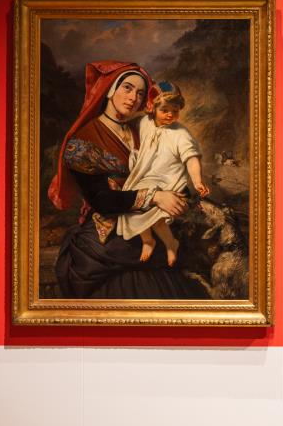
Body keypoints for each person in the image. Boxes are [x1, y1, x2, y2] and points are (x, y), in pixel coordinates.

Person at [49, 61, 209, 299]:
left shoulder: (143, 128)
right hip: (108, 234)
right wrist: (155, 196)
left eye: (141, 93)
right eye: (127, 88)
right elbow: (102, 200)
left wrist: (179, 193)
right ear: (110, 90)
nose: (134, 97)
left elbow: (170, 163)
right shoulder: (84, 140)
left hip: (150, 226)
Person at [116, 81, 210, 266]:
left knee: (157, 218)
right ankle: (148, 240)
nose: (170, 114)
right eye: (165, 110)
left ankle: (170, 243)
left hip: (169, 180)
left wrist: (198, 181)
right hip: (145, 178)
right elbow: (125, 128)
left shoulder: (180, 133)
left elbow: (191, 158)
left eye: (175, 110)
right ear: (152, 108)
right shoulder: (144, 123)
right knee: (133, 203)